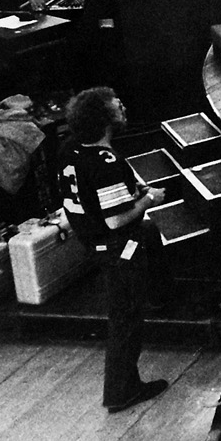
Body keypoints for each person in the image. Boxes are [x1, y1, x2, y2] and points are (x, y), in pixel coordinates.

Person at [55, 86, 169, 414]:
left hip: (91, 241)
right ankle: (121, 391)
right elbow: (118, 220)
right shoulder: (106, 164)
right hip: (117, 246)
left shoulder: (71, 149)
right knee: (125, 319)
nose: (122, 106)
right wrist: (148, 200)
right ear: (105, 120)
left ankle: (158, 297)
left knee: (147, 235)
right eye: (116, 105)